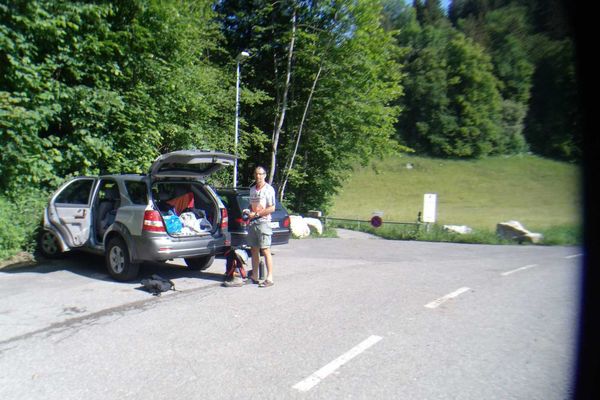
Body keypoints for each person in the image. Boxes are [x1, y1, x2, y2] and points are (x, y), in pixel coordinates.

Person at [244, 166, 276, 287]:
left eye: (261, 174)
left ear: (265, 175)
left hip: (264, 222)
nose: (258, 176)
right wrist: (247, 212)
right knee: (254, 249)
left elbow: (272, 208)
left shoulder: (269, 189)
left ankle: (270, 278)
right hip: (253, 223)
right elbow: (251, 205)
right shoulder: (252, 189)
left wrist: (257, 214)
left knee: (266, 250)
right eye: (256, 174)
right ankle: (254, 276)